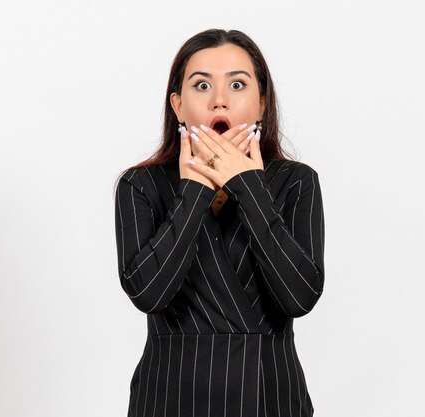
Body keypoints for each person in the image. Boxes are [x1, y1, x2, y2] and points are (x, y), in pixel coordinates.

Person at [114, 28, 325, 417]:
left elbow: (299, 297)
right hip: (169, 397)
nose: (219, 101)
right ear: (177, 105)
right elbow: (148, 295)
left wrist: (248, 186)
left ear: (261, 103)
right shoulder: (140, 185)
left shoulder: (296, 181)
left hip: (269, 396)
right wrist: (194, 189)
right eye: (201, 85)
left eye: (237, 84)